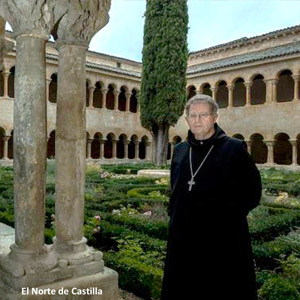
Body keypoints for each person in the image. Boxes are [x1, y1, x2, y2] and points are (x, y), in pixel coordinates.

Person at [161, 94, 262, 300]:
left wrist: (226, 219)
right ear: (187, 119)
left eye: (203, 115)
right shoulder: (180, 151)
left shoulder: (233, 148)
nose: (197, 120)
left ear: (215, 117)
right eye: (193, 115)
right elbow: (176, 188)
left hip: (222, 240)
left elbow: (253, 192)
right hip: (183, 238)